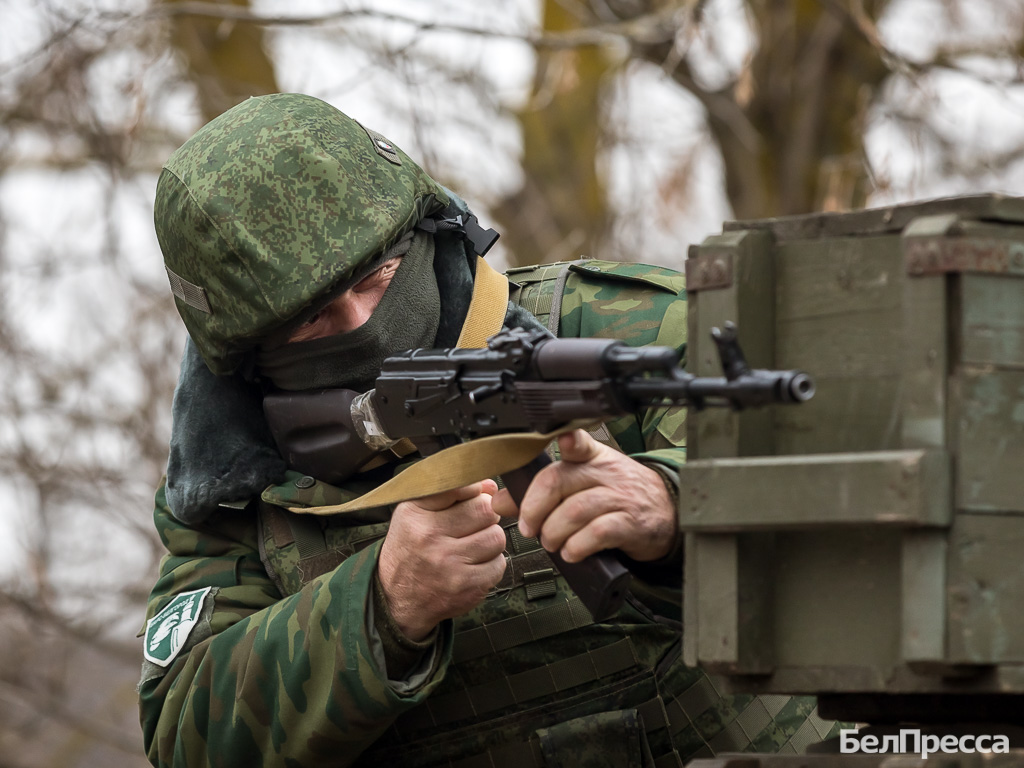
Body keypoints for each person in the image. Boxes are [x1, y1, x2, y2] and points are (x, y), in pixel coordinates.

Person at [139, 93, 835, 768]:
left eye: (380, 276)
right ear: (246, 349)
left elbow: (834, 483)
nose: (362, 326)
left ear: (427, 236)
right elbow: (186, 735)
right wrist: (381, 603)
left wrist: (677, 504)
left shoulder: (623, 325)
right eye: (311, 319)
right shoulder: (231, 480)